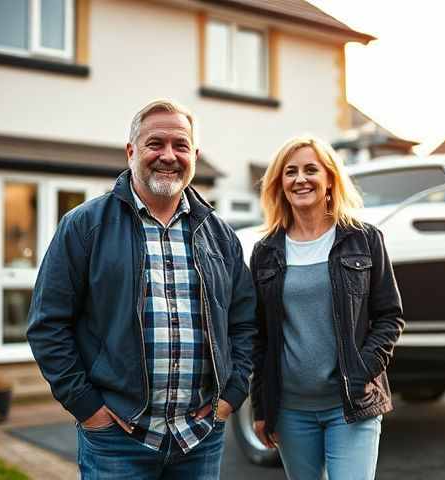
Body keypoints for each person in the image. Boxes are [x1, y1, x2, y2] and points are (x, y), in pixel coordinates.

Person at [27, 99, 257, 479]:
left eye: (180, 145)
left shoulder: (220, 236)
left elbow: (244, 323)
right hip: (116, 439)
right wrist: (87, 407)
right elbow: (47, 325)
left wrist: (230, 398)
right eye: (156, 143)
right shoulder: (85, 226)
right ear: (131, 151)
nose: (169, 155)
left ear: (195, 155)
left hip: (199, 438)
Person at [249, 135, 404, 480]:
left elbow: (389, 316)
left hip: (351, 404)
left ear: (330, 179)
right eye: (290, 172)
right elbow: (259, 337)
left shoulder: (363, 239)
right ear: (280, 184)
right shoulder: (265, 251)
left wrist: (362, 371)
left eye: (310, 170)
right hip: (291, 411)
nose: (300, 179)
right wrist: (262, 408)